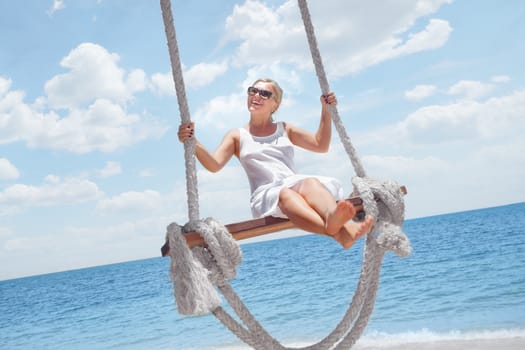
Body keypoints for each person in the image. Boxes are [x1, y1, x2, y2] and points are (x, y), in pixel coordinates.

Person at [178, 78, 374, 249]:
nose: (256, 95)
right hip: (266, 194)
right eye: (252, 91)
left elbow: (320, 145)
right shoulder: (237, 135)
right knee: (286, 194)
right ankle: (340, 232)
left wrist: (326, 110)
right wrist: (192, 141)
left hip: (295, 184)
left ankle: (336, 222)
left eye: (264, 93)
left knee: (310, 182)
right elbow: (214, 164)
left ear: (275, 105)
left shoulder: (284, 129)